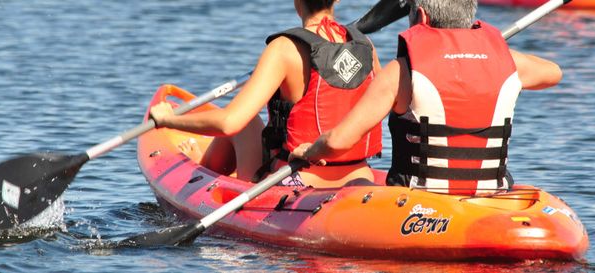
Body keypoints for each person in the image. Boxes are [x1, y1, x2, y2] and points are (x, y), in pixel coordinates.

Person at [289, 0, 562, 195]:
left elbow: (338, 141)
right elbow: (554, 73)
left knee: (353, 187)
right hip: (489, 195)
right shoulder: (510, 63)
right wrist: (488, 48)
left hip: (418, 199)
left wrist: (309, 152)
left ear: (420, 16)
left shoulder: (401, 73)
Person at [150, 0, 382, 187]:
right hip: (359, 176)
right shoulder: (365, 46)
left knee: (246, 123)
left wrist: (168, 120)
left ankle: (200, 170)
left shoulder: (284, 48)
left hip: (297, 180)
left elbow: (229, 123)